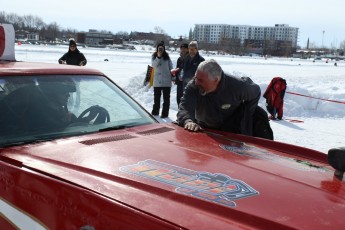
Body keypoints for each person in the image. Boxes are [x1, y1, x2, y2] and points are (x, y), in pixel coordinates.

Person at [177, 59, 273, 140]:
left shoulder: (237, 86)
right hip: (206, 130)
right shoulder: (194, 86)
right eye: (196, 77)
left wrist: (246, 116)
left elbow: (255, 92)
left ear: (215, 80)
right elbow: (185, 106)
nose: (196, 82)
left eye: (201, 80)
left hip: (231, 132)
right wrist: (187, 121)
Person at [151, 42, 173, 118]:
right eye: (159, 48)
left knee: (166, 99)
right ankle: (155, 112)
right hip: (157, 81)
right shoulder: (154, 56)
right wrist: (158, 57)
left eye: (162, 48)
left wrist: (173, 77)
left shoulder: (167, 57)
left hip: (166, 81)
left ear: (164, 49)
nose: (160, 50)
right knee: (156, 98)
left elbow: (171, 67)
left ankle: (165, 114)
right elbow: (153, 65)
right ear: (157, 49)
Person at [171, 43, 189, 107]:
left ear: (187, 49)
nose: (183, 50)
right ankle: (180, 113)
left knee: (185, 99)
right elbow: (177, 69)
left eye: (185, 48)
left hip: (186, 82)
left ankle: (185, 114)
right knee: (179, 98)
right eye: (182, 49)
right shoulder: (179, 59)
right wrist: (174, 76)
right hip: (179, 82)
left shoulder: (189, 58)